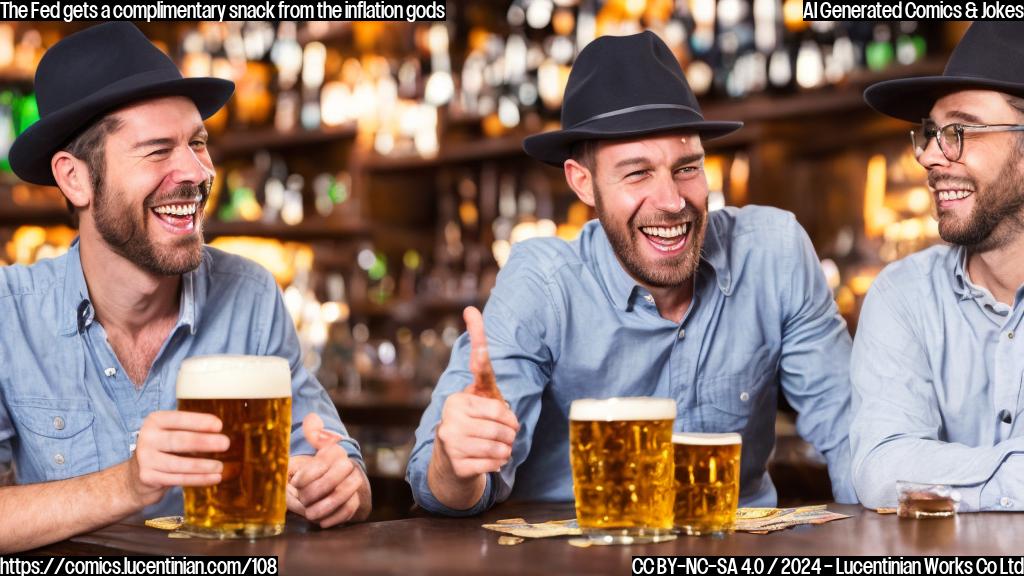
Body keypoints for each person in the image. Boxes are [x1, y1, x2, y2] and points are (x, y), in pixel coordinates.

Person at [406, 31, 856, 516]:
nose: (671, 201)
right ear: (583, 183)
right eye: (637, 173)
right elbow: (439, 489)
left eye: (687, 168)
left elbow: (854, 435)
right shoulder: (543, 284)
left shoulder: (774, 252)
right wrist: (458, 466)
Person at [0, 23, 369, 553]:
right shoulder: (10, 312)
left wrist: (340, 487)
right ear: (74, 178)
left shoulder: (249, 294)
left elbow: (334, 465)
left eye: (197, 143)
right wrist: (127, 485)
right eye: (157, 151)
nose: (195, 173)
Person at [853, 22, 1024, 511]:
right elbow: (881, 468)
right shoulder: (903, 294)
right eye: (930, 133)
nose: (929, 156)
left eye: (960, 131)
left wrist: (942, 474)